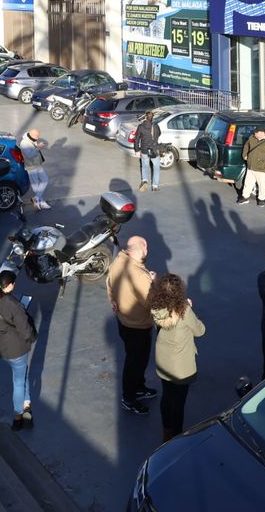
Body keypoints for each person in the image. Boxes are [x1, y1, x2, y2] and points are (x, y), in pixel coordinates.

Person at [149, 273, 205, 442]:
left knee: (167, 397)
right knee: (178, 403)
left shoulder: (156, 308)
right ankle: (176, 435)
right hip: (181, 367)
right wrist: (189, 308)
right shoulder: (184, 311)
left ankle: (166, 431)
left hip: (164, 361)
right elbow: (200, 331)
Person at [0, 271, 36, 431]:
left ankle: (26, 405)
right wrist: (31, 337)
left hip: (2, 349)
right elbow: (26, 332)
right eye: (14, 283)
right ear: (10, 285)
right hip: (17, 350)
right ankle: (18, 416)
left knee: (22, 376)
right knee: (18, 381)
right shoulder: (14, 305)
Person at [107, 237, 156, 415]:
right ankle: (129, 398)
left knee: (136, 359)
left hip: (124, 321)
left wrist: (113, 301)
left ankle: (139, 387)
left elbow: (109, 284)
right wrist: (153, 282)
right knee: (135, 362)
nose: (147, 249)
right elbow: (151, 302)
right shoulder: (139, 275)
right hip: (138, 327)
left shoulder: (118, 262)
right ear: (140, 249)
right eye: (145, 246)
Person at [237, 126, 265, 207]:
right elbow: (246, 145)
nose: (254, 134)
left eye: (256, 133)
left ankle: (261, 199)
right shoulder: (252, 137)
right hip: (251, 166)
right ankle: (245, 197)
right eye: (254, 133)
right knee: (247, 183)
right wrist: (245, 155)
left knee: (262, 185)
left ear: (261, 133)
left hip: (262, 168)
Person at [19, 129, 51, 210]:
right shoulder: (24, 143)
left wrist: (38, 146)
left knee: (45, 179)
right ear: (31, 136)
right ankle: (41, 202)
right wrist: (38, 148)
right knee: (35, 185)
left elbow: (34, 150)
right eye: (36, 138)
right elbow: (29, 155)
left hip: (37, 164)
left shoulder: (31, 139)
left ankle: (36, 198)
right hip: (31, 167)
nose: (37, 139)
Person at [134, 113, 161, 193]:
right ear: (152, 118)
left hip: (144, 150)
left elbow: (137, 139)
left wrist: (137, 150)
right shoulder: (156, 126)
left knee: (145, 166)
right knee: (156, 167)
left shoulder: (141, 127)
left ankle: (145, 181)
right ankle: (155, 186)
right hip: (154, 150)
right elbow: (159, 134)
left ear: (145, 117)